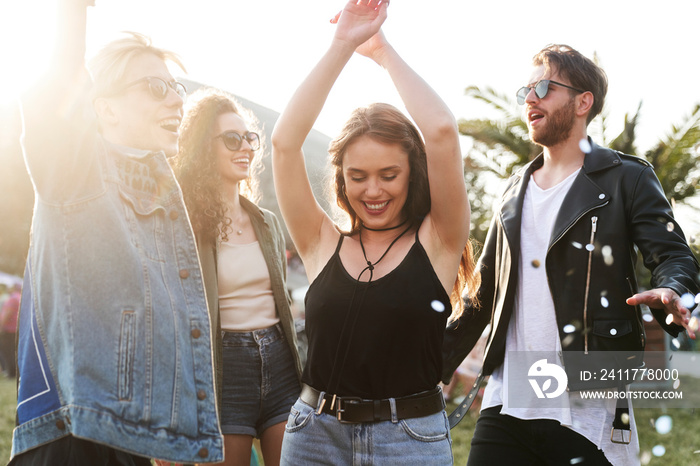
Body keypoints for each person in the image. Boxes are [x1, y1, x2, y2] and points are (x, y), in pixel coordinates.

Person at [443, 44, 700, 465]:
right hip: (508, 401)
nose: (530, 98)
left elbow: (674, 256)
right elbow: (483, 295)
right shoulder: (511, 192)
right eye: (526, 89)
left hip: (589, 405)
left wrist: (671, 290)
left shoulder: (626, 178)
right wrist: (430, 363)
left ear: (584, 102)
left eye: (544, 86)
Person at [10, 1, 223, 464]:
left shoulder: (162, 192)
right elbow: (55, 86)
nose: (176, 100)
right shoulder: (74, 169)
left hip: (127, 439)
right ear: (102, 108)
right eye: (155, 87)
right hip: (71, 436)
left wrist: (168, 430)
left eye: (176, 88)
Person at [271, 1, 478, 464]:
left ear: (413, 174)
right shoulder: (321, 242)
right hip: (313, 436)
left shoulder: (439, 241)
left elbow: (442, 131)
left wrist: (383, 53)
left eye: (389, 174)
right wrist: (341, 45)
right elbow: (284, 143)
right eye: (357, 175)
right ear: (341, 177)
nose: (373, 190)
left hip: (408, 440)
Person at [172, 88, 302, 466]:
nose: (245, 147)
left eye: (249, 138)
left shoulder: (267, 222)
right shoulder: (185, 225)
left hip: (279, 362)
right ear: (201, 147)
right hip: (222, 368)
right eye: (232, 139)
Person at [0, 283, 20, 378]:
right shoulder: (20, 297)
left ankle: (11, 373)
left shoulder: (12, 298)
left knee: (8, 351)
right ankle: (14, 372)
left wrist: (1, 326)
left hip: (9, 329)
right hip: (16, 328)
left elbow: (8, 313)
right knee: (14, 350)